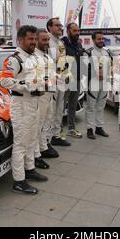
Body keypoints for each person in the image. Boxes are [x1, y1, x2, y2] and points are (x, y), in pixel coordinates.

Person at [1, 25, 48, 195]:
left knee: (32, 138)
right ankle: (19, 181)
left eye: (35, 39)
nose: (33, 42)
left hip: (34, 102)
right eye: (30, 39)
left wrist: (41, 85)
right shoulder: (14, 60)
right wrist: (27, 85)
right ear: (20, 40)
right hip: (20, 104)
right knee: (21, 143)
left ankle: (30, 169)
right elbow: (4, 82)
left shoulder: (33, 58)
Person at [33, 29, 59, 169]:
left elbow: (52, 74)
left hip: (50, 93)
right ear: (36, 40)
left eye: (47, 40)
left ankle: (43, 147)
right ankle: (35, 154)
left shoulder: (47, 56)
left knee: (47, 122)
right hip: (40, 95)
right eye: (43, 40)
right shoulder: (34, 57)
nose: (46, 42)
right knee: (38, 124)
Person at [47, 17, 71, 146]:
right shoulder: (47, 42)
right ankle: (48, 138)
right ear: (49, 27)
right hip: (51, 80)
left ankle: (56, 135)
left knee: (60, 109)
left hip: (61, 79)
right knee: (51, 110)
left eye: (61, 26)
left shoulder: (61, 43)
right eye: (57, 25)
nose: (60, 28)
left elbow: (63, 61)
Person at [85, 31, 112, 139]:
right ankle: (89, 129)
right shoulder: (88, 52)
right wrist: (95, 74)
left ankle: (99, 127)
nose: (101, 41)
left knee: (101, 106)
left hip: (105, 83)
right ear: (93, 40)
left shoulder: (107, 52)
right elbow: (83, 69)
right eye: (99, 39)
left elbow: (110, 68)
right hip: (93, 83)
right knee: (91, 107)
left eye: (102, 39)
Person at [61, 23, 85, 139]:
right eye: (74, 31)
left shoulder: (79, 45)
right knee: (61, 107)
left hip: (77, 80)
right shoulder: (62, 44)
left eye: (78, 31)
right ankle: (58, 131)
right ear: (68, 31)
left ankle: (71, 129)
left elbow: (82, 61)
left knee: (72, 106)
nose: (77, 33)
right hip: (66, 81)